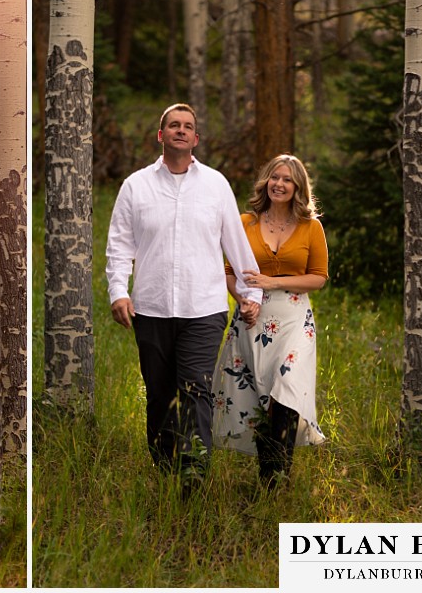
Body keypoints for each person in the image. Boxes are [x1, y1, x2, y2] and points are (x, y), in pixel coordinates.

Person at [106, 103, 263, 493]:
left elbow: (236, 244)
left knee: (196, 388)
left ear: (196, 138)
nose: (180, 130)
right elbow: (119, 245)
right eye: (173, 125)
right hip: (152, 308)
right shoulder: (136, 186)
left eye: (188, 126)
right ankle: (163, 467)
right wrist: (117, 291)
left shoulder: (215, 185)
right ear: (161, 136)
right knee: (159, 393)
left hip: (203, 308)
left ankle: (194, 473)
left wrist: (250, 293)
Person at [212, 154, 328, 489]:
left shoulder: (311, 227)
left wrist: (273, 283)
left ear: (298, 187)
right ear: (266, 182)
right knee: (258, 394)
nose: (279, 184)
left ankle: (278, 477)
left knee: (287, 392)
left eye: (288, 179)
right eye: (275, 177)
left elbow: (319, 277)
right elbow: (229, 272)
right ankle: (269, 476)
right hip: (252, 317)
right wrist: (244, 300)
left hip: (293, 320)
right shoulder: (245, 222)